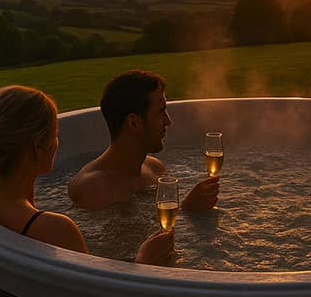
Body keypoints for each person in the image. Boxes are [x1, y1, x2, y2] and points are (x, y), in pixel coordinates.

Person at [0, 85, 173, 264]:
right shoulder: (57, 230)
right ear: (38, 147)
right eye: (55, 134)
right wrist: (144, 261)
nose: (57, 142)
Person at [69, 70, 219, 211]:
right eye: (160, 111)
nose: (168, 121)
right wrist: (187, 210)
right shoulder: (93, 187)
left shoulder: (155, 169)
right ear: (134, 123)